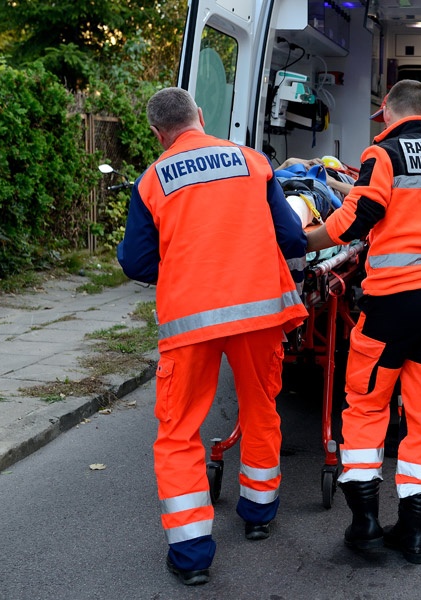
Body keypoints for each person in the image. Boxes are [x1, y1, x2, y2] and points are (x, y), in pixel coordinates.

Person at [117, 87, 308, 586]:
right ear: (201, 118)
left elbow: (135, 262)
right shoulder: (252, 161)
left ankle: (192, 556)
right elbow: (289, 239)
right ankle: (259, 515)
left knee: (178, 432)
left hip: (191, 321)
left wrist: (184, 262)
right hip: (259, 315)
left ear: (158, 135)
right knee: (260, 410)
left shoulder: (153, 179)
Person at [305, 79, 421, 564]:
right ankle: (414, 534)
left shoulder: (383, 155)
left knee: (365, 405)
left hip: (392, 305)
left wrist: (302, 240)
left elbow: (357, 220)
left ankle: (363, 525)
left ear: (386, 111)